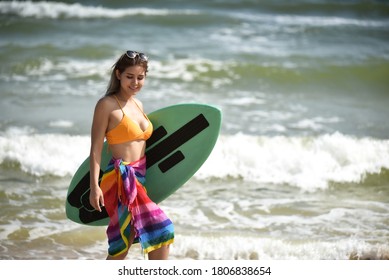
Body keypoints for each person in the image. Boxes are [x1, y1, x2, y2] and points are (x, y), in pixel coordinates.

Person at [88, 50, 174, 260]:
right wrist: (94, 187)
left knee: (128, 241)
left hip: (140, 180)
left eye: (140, 77)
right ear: (118, 74)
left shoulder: (138, 104)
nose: (135, 82)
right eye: (130, 77)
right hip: (119, 181)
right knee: (159, 232)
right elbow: (96, 148)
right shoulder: (106, 105)